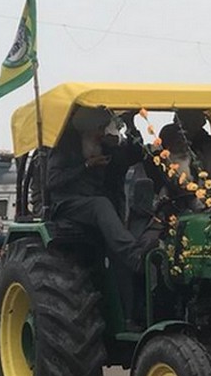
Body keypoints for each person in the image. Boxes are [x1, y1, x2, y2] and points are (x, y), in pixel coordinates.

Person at [48, 106, 148, 273]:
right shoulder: (65, 147)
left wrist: (131, 125)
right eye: (100, 128)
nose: (103, 133)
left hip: (98, 204)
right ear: (88, 128)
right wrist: (86, 166)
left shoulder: (104, 147)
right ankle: (133, 255)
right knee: (100, 204)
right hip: (68, 204)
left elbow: (135, 156)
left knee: (110, 207)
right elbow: (52, 181)